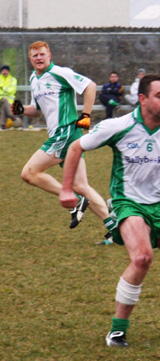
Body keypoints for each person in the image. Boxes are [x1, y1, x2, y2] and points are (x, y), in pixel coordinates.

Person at [59, 73, 160, 348]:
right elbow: (75, 147)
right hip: (128, 202)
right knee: (142, 258)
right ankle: (117, 330)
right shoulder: (120, 125)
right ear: (142, 99)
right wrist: (66, 189)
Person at [13, 41, 115, 245]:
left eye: (42, 54)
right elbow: (38, 110)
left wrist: (86, 115)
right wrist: (22, 110)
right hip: (65, 135)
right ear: (30, 59)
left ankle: (74, 200)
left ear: (49, 55)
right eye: (35, 56)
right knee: (81, 185)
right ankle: (116, 229)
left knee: (29, 173)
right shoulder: (35, 79)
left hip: (65, 132)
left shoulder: (60, 72)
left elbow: (90, 86)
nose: (39, 58)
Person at [0, 65, 21, 129]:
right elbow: (9, 90)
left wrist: (2, 88)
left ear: (8, 71)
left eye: (6, 70)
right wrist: (6, 90)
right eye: (3, 70)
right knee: (4, 99)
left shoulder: (13, 79)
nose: (4, 72)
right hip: (1, 98)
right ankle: (11, 115)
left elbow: (13, 90)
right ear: (1, 71)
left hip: (9, 100)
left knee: (4, 105)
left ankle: (3, 125)